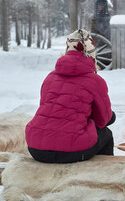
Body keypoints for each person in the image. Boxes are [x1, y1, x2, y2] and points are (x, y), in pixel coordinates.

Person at [25, 29, 115, 164]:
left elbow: (47, 109)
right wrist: (112, 117)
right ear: (91, 53)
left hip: (36, 147)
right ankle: (104, 176)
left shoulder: (50, 77)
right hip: (71, 150)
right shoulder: (95, 81)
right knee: (106, 134)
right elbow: (102, 120)